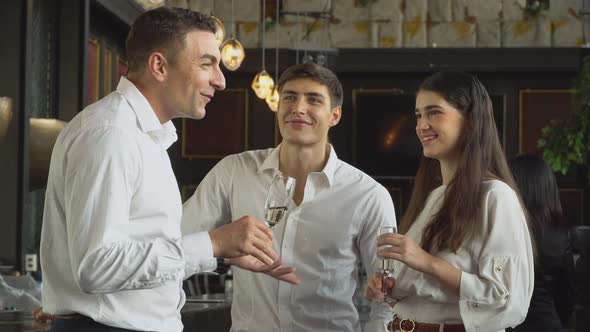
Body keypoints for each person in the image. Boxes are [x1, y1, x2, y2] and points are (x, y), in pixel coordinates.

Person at [40, 7, 286, 332]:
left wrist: (219, 255)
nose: (221, 81)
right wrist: (212, 243)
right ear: (159, 66)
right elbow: (97, 266)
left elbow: (140, 247)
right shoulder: (111, 134)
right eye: (207, 64)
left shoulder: (145, 135)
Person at [182, 63, 397, 331]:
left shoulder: (368, 195)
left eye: (314, 99)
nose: (298, 107)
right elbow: (178, 241)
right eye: (290, 97)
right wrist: (220, 254)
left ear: (335, 115)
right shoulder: (234, 172)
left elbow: (388, 294)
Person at [365, 71, 535, 332]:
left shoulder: (495, 197)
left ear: (470, 121)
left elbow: (508, 300)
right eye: (419, 115)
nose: (421, 125)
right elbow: (430, 292)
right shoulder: (435, 196)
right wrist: (391, 287)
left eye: (434, 112)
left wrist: (427, 262)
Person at [509, 154, 575, 332]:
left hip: (507, 324)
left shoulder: (504, 231)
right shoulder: (559, 235)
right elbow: (567, 296)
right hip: (548, 323)